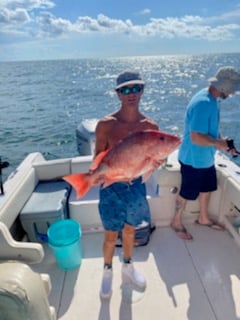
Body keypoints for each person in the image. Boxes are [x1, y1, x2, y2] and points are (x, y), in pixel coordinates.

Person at [95, 70, 159, 299]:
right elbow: (98, 159)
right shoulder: (105, 125)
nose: (131, 94)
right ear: (118, 94)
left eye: (136, 88)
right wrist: (100, 175)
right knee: (111, 235)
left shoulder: (150, 126)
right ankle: (107, 271)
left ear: (142, 90)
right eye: (126, 90)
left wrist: (157, 163)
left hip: (135, 187)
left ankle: (128, 267)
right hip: (111, 188)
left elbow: (152, 160)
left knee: (131, 230)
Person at [171, 66, 240, 240]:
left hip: (206, 158)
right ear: (223, 87)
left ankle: (203, 218)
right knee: (186, 192)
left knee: (208, 188)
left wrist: (224, 144)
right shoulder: (203, 103)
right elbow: (196, 137)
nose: (231, 94)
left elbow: (212, 129)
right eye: (231, 90)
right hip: (193, 159)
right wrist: (219, 143)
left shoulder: (213, 99)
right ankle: (176, 222)